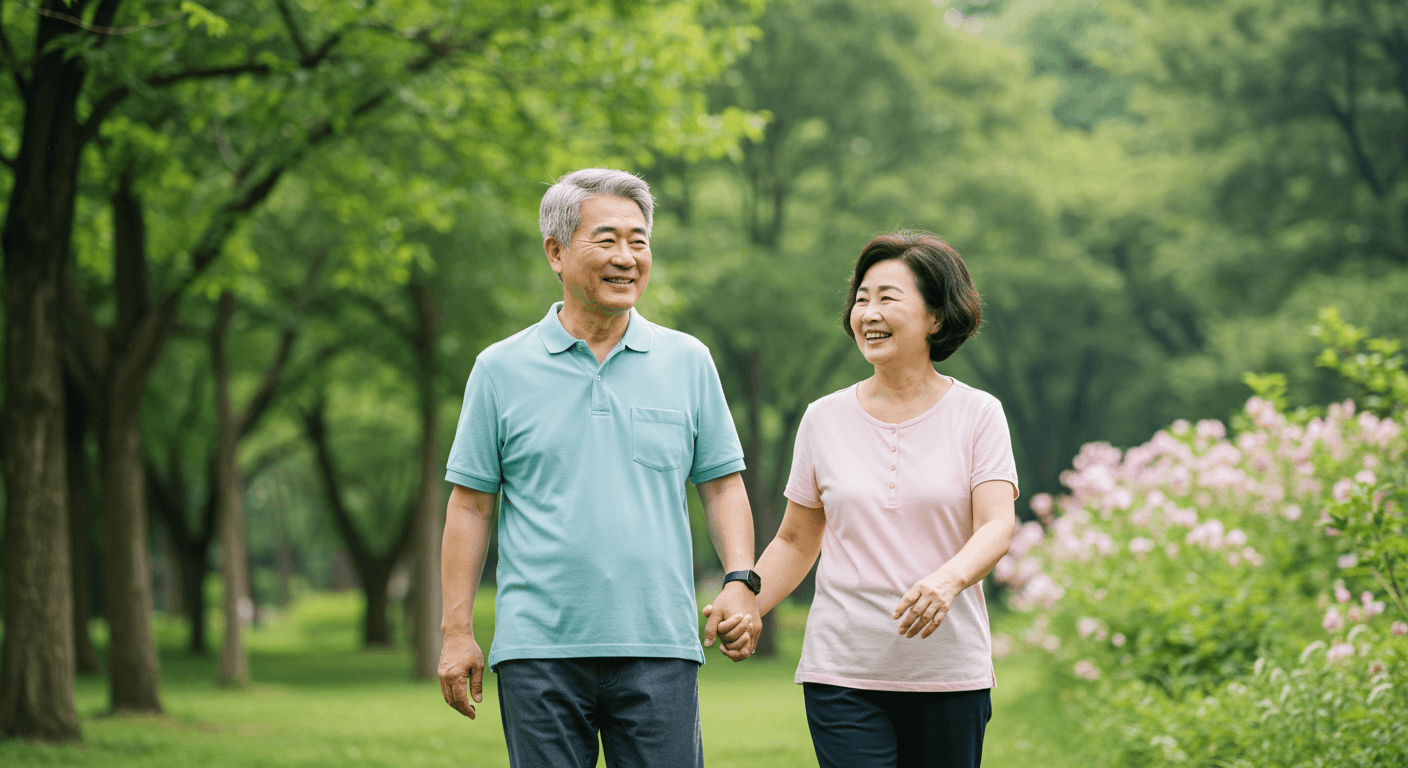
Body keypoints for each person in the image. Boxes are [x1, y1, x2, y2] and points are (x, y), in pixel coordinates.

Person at [437, 168, 763, 768]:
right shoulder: (499, 369)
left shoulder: (688, 361)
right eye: (607, 239)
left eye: (639, 241)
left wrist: (741, 579)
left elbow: (722, 487)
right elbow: (471, 505)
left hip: (659, 644)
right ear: (556, 253)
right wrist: (456, 632)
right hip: (538, 651)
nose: (626, 257)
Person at [710, 230, 1018, 768]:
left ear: (936, 317)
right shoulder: (823, 418)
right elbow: (796, 540)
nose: (868, 313)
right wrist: (747, 606)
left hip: (948, 672)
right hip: (842, 671)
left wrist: (948, 580)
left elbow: (996, 526)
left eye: (887, 298)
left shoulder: (978, 414)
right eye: (861, 299)